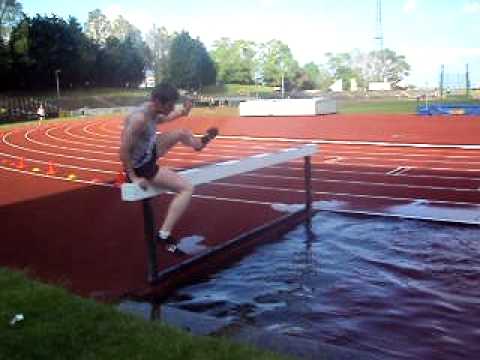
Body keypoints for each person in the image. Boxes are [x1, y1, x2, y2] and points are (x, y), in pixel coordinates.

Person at [120, 83, 218, 254]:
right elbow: (123, 151)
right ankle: (164, 235)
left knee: (181, 132)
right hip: (142, 166)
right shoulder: (139, 120)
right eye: (171, 105)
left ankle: (199, 144)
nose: (173, 107)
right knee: (186, 188)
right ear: (158, 102)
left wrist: (183, 112)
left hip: (149, 150)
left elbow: (163, 119)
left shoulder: (152, 110)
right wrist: (133, 177)